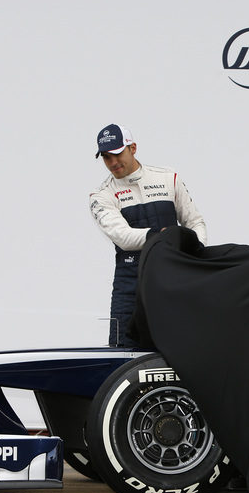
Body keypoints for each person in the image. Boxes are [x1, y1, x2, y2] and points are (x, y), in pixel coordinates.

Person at [89, 123, 207, 348]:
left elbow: (195, 222)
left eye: (117, 154)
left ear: (132, 148)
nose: (113, 163)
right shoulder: (101, 195)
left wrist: (196, 252)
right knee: (121, 355)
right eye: (105, 157)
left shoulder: (168, 178)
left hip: (172, 277)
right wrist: (163, 236)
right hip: (130, 283)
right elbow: (123, 237)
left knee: (181, 349)